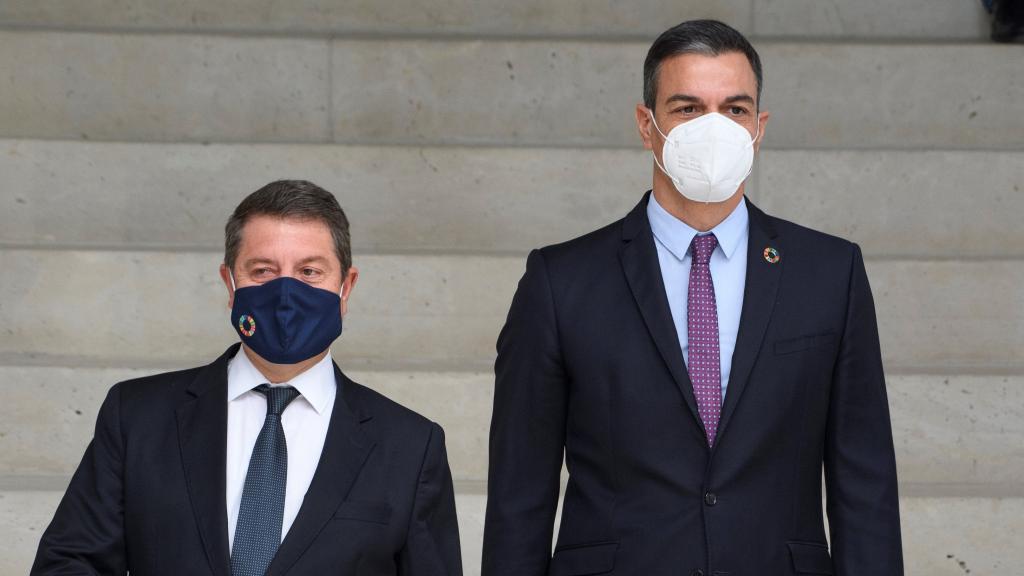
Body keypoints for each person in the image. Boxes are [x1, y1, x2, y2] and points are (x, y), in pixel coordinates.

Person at [483, 20, 903, 576]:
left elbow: (864, 483)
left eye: (734, 109)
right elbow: (520, 495)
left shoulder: (829, 272)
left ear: (759, 127)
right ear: (646, 124)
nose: (714, 128)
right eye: (686, 108)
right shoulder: (560, 281)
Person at [32, 181, 462, 575]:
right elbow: (69, 563)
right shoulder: (138, 418)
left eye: (310, 272)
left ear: (346, 287)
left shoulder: (410, 447)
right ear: (230, 282)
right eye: (263, 271)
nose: (286, 294)